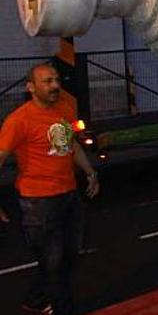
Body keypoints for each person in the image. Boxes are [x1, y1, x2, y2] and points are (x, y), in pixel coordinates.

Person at [0, 63, 100, 315]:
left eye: (56, 80)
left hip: (69, 194)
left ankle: (35, 300)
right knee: (54, 261)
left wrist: (90, 172)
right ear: (30, 87)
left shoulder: (64, 109)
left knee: (69, 255)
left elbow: (71, 145)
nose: (55, 85)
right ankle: (61, 309)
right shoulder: (19, 120)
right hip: (39, 202)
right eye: (47, 81)